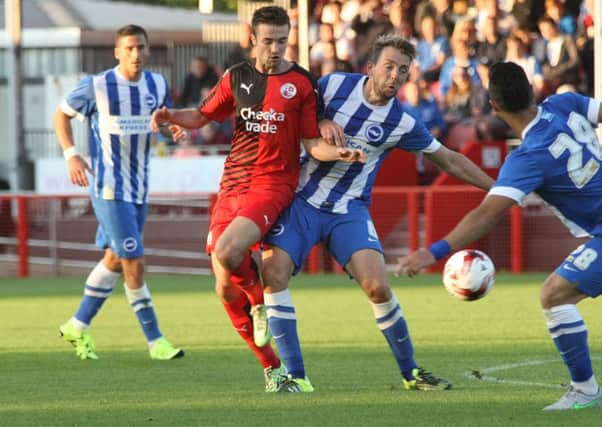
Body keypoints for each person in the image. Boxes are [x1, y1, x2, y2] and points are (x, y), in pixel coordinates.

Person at [261, 34, 494, 393]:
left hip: (348, 210)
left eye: (403, 70)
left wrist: (495, 189)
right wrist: (321, 119)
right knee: (273, 274)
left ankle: (412, 373)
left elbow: (447, 158)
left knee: (377, 285)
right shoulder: (335, 84)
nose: (395, 75)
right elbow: (300, 104)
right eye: (389, 66)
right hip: (301, 201)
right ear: (370, 68)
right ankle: (295, 376)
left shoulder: (401, 122)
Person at [150, 6, 365, 392]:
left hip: (273, 183)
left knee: (228, 252)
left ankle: (259, 300)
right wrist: (171, 116)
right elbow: (202, 116)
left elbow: (313, 144)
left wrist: (341, 153)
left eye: (282, 41)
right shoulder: (236, 77)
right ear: (253, 39)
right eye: (268, 41)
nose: (276, 49)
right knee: (222, 286)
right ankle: (273, 368)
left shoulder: (301, 84)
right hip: (233, 181)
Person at [397, 61, 602, 411]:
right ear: (533, 90)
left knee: (554, 295)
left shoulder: (528, 157)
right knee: (556, 293)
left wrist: (433, 252)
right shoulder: (564, 103)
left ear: (494, 106)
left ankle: (585, 391)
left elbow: (486, 214)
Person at [53, 25, 183, 361]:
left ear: (148, 50)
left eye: (140, 47)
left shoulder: (157, 84)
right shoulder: (97, 86)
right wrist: (71, 154)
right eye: (129, 48)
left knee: (115, 258)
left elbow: (165, 124)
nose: (135, 54)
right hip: (109, 189)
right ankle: (156, 341)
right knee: (134, 263)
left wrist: (174, 130)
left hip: (140, 187)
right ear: (117, 52)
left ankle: (77, 325)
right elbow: (60, 115)